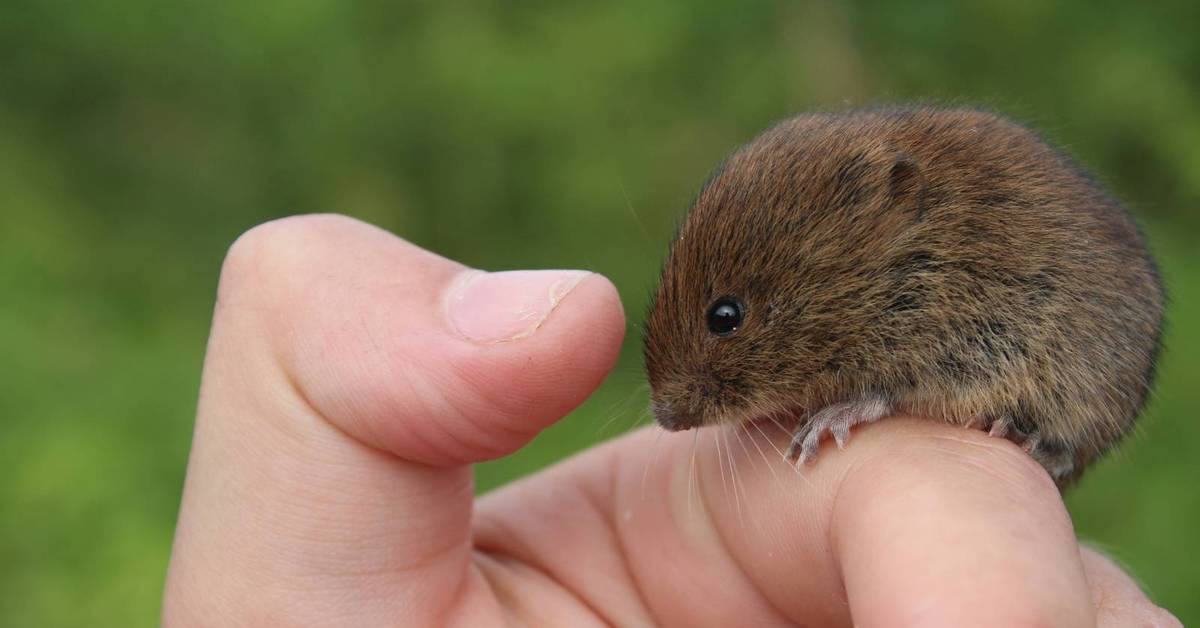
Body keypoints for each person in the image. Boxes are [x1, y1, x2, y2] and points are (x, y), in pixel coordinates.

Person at [162, 214, 1179, 627]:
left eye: (725, 322)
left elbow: (960, 345)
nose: (672, 414)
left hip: (1057, 385)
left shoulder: (937, 273)